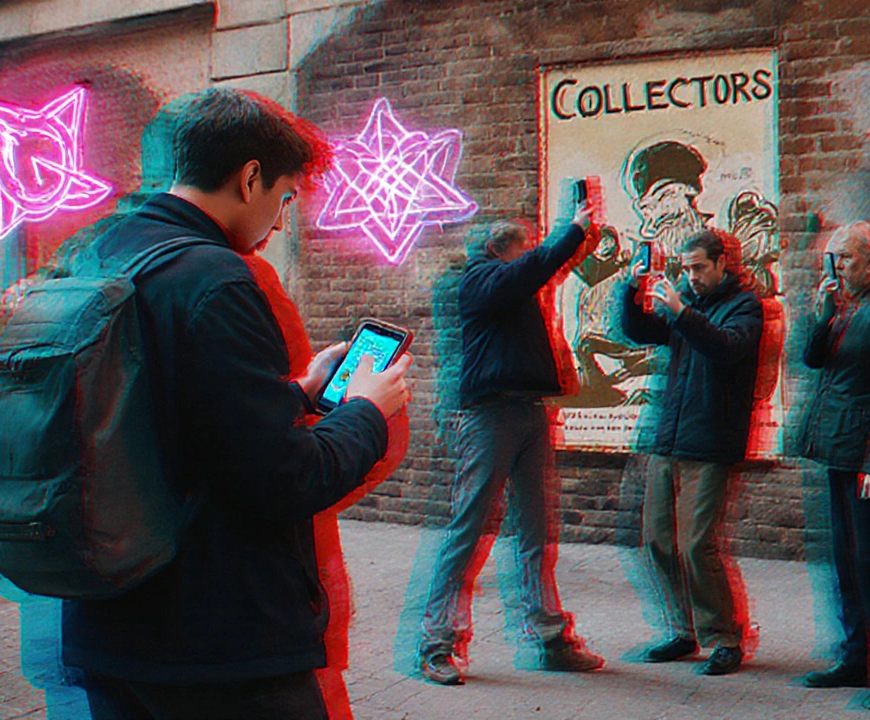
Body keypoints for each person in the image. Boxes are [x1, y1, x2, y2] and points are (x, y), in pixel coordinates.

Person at [62, 88, 412, 720]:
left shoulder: (98, 253)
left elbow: (165, 417)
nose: (279, 224)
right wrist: (366, 409)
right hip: (218, 643)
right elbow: (287, 477)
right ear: (250, 178)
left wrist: (296, 392)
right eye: (285, 198)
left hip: (109, 621)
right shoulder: (217, 278)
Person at [417, 205, 605, 686]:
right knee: (469, 529)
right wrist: (573, 231)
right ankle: (437, 644)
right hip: (490, 416)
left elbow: (533, 273)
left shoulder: (510, 286)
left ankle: (550, 638)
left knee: (536, 531)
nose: (529, 258)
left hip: (528, 412)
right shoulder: (481, 280)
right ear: (501, 250)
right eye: (524, 249)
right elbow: (530, 270)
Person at [620, 228, 763, 676]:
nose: (692, 276)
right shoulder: (689, 304)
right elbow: (639, 331)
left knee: (696, 544)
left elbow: (726, 348)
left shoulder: (744, 307)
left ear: (722, 263)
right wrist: (631, 290)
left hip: (711, 440)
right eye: (687, 269)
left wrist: (681, 311)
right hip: (671, 437)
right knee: (657, 540)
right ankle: (683, 630)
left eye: (700, 268)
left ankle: (724, 637)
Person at [791, 221, 870, 711]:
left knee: (868, 560)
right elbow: (813, 360)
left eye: (844, 257)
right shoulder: (841, 308)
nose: (837, 267)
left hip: (865, 458)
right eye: (833, 258)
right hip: (837, 452)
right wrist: (822, 317)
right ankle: (852, 657)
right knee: (843, 558)